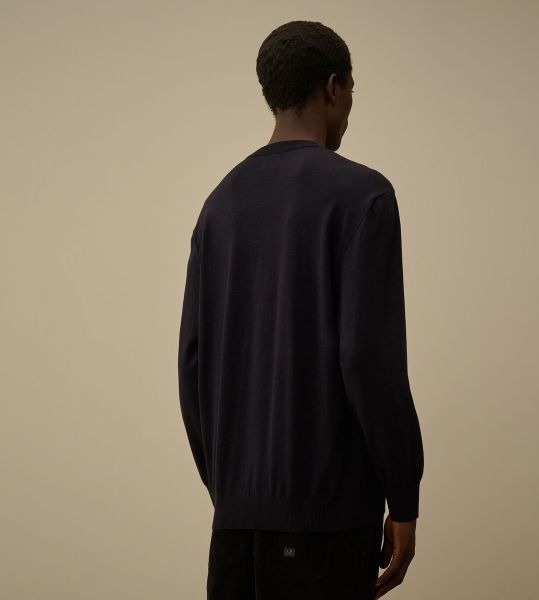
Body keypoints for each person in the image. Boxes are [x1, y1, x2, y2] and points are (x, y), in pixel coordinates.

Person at [177, 20, 424, 600]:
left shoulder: (219, 205)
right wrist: (403, 496)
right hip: (328, 525)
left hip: (235, 527)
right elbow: (368, 358)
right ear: (332, 87)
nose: (350, 109)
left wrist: (233, 494)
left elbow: (191, 366)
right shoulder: (363, 196)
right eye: (352, 91)